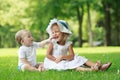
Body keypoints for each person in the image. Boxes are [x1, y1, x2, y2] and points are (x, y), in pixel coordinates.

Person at [43, 18, 112, 71]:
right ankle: (90, 70)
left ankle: (97, 66)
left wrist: (62, 57)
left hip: (64, 59)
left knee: (79, 58)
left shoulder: (68, 44)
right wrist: (55, 59)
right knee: (71, 66)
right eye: (53, 32)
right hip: (54, 62)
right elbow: (48, 54)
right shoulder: (53, 43)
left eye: (57, 32)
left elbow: (72, 56)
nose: (54, 34)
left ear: (64, 33)